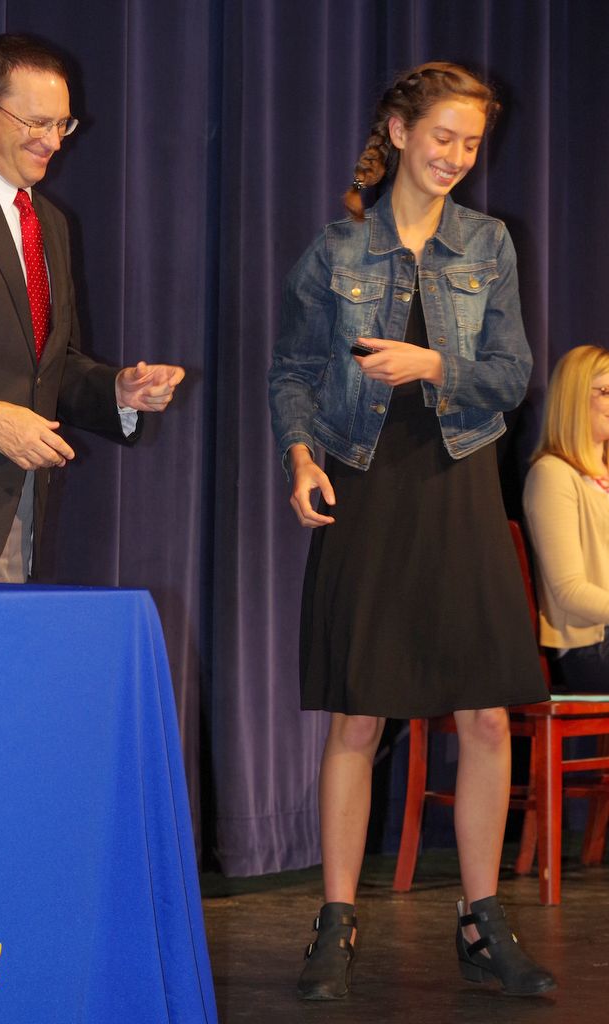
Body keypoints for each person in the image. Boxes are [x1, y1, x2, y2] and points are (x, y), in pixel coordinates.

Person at [268, 62, 555, 1000]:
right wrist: (301, 459)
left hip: (461, 481)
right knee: (360, 713)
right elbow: (292, 372)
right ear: (397, 130)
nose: (457, 156)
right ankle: (335, 922)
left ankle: (482, 921)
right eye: (442, 136)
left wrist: (435, 364)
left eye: (472, 143)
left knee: (486, 713)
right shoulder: (338, 247)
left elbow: (511, 375)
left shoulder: (488, 242)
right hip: (366, 481)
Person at [0, 34, 184, 582]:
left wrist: (116, 391)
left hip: (15, 516)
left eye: (62, 124)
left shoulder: (49, 221)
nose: (53, 142)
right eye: (37, 122)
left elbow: (45, 365)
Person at [524, 344, 609, 691]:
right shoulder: (553, 474)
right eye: (606, 391)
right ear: (575, 397)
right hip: (590, 645)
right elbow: (570, 591)